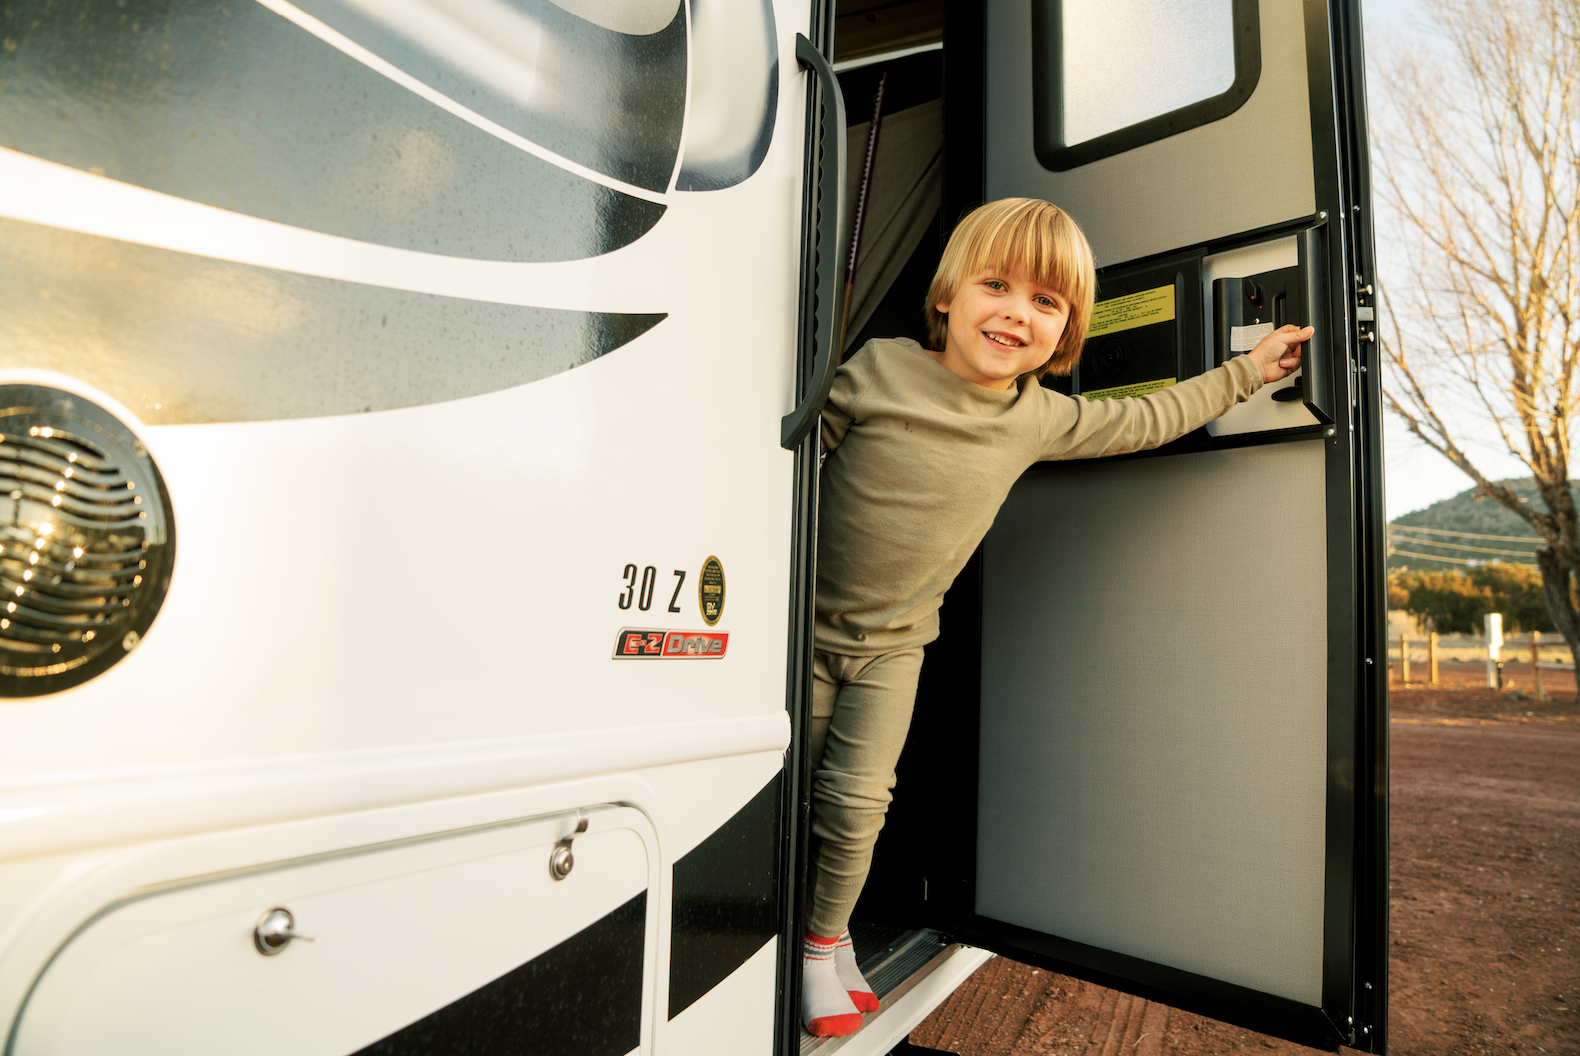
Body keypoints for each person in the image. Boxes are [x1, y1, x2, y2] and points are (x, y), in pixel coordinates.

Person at [801, 197, 1311, 1037]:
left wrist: (1250, 369)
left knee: (859, 805)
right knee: (791, 797)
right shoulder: (878, 368)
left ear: (1067, 331)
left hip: (894, 650)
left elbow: (1148, 418)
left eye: (1046, 302)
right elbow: (790, 464)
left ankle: (824, 943)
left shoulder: (1034, 417)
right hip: (802, 636)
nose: (1015, 312)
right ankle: (791, 934)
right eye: (997, 284)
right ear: (947, 296)